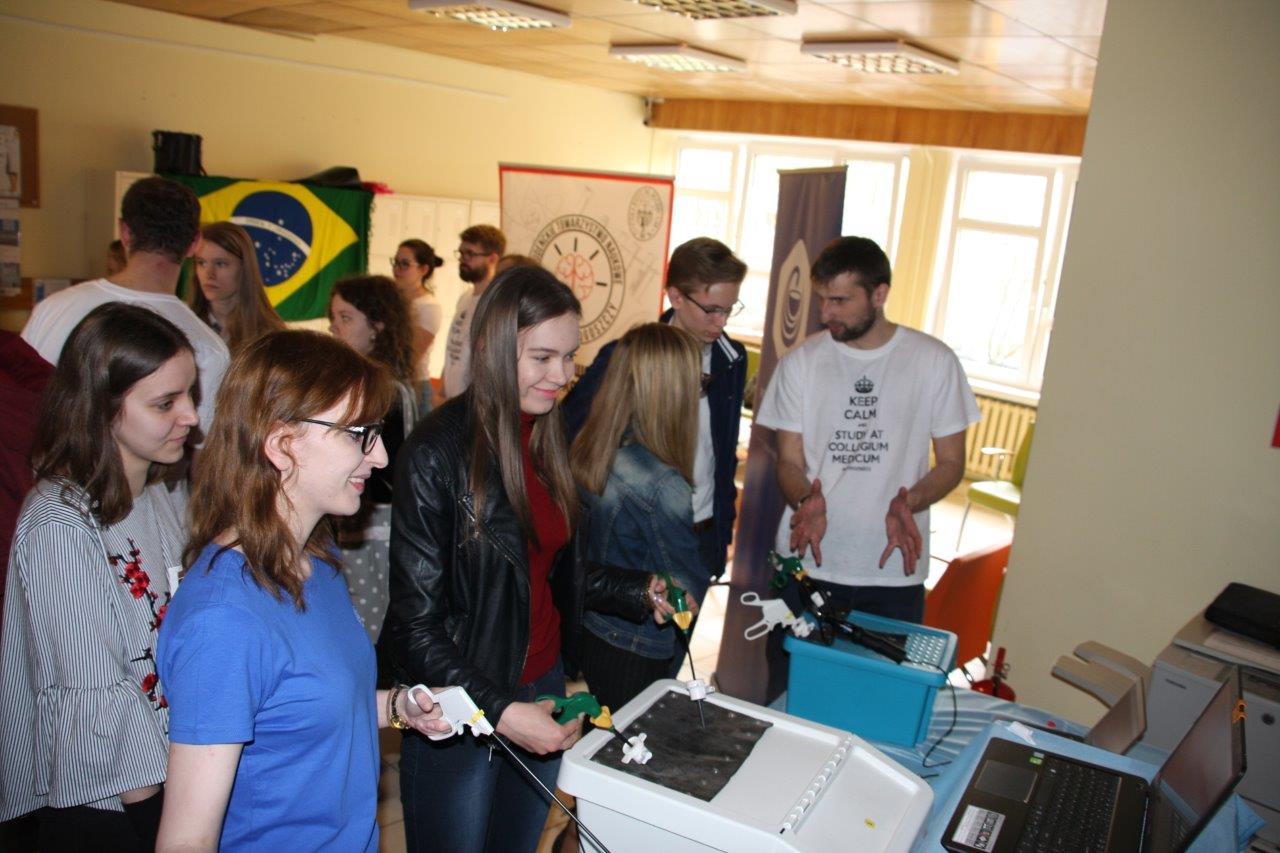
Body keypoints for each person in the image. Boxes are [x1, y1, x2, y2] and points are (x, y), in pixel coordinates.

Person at [384, 266, 671, 853]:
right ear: (491, 349)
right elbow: (414, 630)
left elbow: (537, 573)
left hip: (543, 684)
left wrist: (633, 589)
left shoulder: (544, 434)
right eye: (542, 358)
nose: (561, 376)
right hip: (461, 705)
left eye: (569, 358)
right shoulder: (434, 455)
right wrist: (500, 710)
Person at [155, 330, 450, 852]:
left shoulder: (316, 561)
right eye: (359, 434)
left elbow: (299, 709)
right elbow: (186, 839)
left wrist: (398, 707)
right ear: (281, 444)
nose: (381, 457)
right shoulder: (222, 620)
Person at [0, 303, 199, 851]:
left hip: (163, 771)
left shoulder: (157, 494)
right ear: (102, 409)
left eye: (190, 394)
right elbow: (94, 693)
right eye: (165, 403)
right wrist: (156, 818)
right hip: (104, 800)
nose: (190, 416)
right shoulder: (60, 523)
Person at [755, 236, 980, 623]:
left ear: (879, 294)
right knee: (795, 664)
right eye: (822, 299)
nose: (826, 312)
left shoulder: (934, 361)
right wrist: (806, 500)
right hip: (808, 562)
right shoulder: (800, 363)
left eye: (839, 300)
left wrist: (910, 501)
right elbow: (789, 461)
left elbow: (951, 463)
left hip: (892, 567)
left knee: (882, 666)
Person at [565, 237, 748, 586]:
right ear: (676, 297)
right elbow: (568, 435)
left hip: (702, 534)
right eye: (712, 309)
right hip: (635, 543)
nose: (721, 321)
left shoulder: (732, 358)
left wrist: (722, 533)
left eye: (730, 308)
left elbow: (723, 454)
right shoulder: (629, 355)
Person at [21, 176, 229, 442]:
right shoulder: (208, 347)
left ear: (125, 232)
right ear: (194, 243)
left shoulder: (51, 310)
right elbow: (201, 451)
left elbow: (16, 401)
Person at [570, 323, 707, 710]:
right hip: (637, 645)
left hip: (595, 628)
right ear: (673, 392)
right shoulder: (663, 484)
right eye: (697, 383)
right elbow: (683, 584)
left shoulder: (592, 448)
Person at [327, 274, 417, 641]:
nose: (334, 327)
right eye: (334, 318)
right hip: (364, 522)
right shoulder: (370, 384)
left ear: (378, 327)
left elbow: (386, 471)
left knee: (368, 621)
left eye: (346, 318)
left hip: (374, 525)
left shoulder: (383, 390)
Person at [190, 221, 285, 355]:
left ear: (244, 268)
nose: (209, 274)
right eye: (202, 263)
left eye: (220, 264)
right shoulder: (183, 326)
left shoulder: (271, 337)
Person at [440, 224, 504, 402]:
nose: (463, 259)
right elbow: (455, 346)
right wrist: (442, 390)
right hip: (452, 401)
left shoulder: (495, 302)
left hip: (474, 403)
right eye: (461, 253)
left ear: (492, 259)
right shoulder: (465, 298)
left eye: (470, 254)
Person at [391, 239, 444, 415]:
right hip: (391, 382)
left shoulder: (428, 306)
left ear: (423, 269)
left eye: (405, 264)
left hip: (414, 387)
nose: (397, 269)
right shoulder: (392, 299)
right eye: (396, 262)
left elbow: (411, 356)